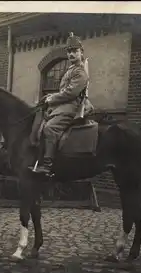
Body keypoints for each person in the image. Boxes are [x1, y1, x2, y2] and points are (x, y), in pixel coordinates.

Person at [31, 32, 89, 176]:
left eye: (75, 51)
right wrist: (50, 96)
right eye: (69, 51)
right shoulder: (71, 69)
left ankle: (48, 166)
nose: (71, 54)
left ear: (81, 53)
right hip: (63, 105)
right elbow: (63, 90)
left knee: (50, 128)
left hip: (71, 107)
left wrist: (52, 99)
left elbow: (71, 93)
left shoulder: (80, 72)